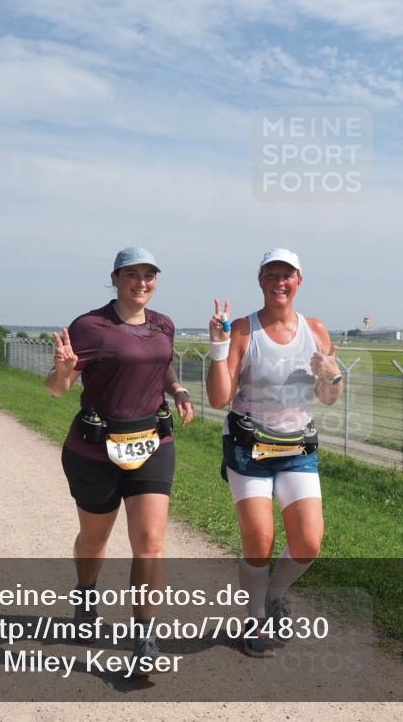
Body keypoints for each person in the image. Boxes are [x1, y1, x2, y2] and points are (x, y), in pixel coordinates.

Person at [46, 246, 193, 673]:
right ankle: (86, 593)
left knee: (150, 542)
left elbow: (158, 364)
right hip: (95, 450)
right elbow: (57, 389)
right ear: (114, 279)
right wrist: (62, 369)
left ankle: (145, 638)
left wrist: (178, 389)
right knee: (94, 540)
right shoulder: (89, 326)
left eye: (149, 275)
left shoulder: (163, 324)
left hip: (152, 444)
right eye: (133, 274)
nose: (141, 282)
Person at [206, 248, 342, 657]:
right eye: (271, 274)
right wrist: (218, 346)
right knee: (260, 538)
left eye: (287, 275)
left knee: (308, 542)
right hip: (250, 450)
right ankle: (254, 619)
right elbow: (218, 399)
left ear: (299, 281)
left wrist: (331, 376)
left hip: (297, 447)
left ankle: (274, 596)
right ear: (260, 280)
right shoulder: (245, 331)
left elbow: (328, 397)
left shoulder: (315, 330)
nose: (279, 282)